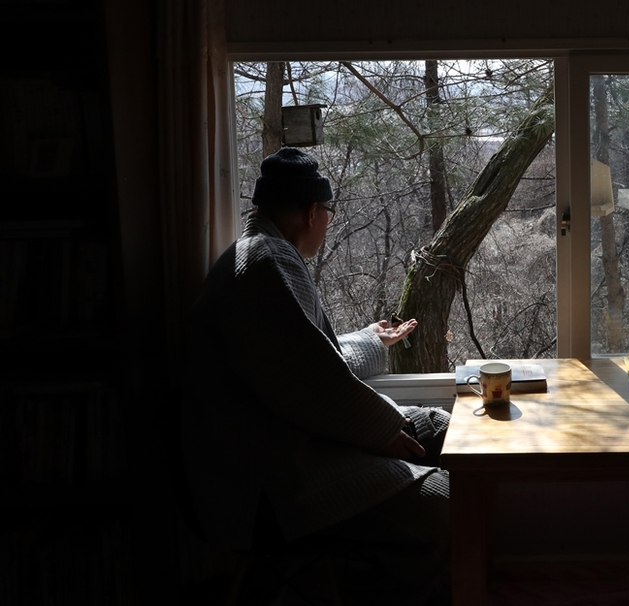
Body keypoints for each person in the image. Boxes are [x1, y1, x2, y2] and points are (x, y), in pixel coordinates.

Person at [181, 146, 450, 605]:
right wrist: (380, 432)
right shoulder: (265, 263)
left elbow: (307, 361)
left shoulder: (260, 255)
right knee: (446, 502)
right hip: (278, 478)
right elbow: (309, 382)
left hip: (301, 446)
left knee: (445, 427)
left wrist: (371, 339)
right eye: (327, 212)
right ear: (311, 212)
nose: (327, 223)